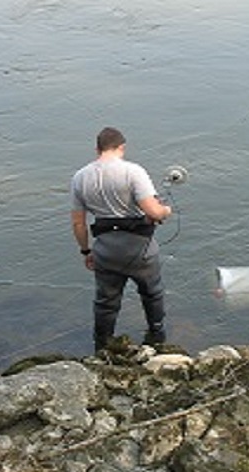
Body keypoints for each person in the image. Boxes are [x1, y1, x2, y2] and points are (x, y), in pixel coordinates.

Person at [70, 127, 172, 351]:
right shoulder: (133, 172)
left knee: (106, 302)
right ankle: (156, 338)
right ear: (121, 147)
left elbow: (78, 223)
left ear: (97, 149)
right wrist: (166, 211)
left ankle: (102, 345)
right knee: (152, 293)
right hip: (140, 250)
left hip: (105, 250)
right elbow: (153, 212)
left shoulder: (79, 177)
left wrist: (86, 251)